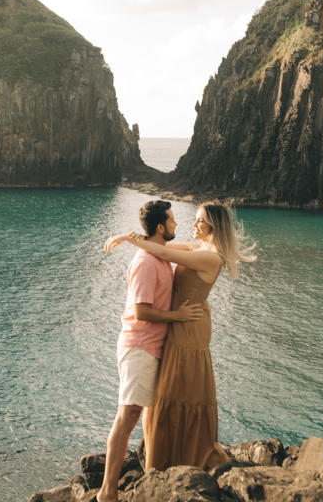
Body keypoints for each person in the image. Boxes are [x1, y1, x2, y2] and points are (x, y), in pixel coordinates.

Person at [104, 200, 255, 472]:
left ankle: (185, 455)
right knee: (169, 393)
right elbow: (160, 248)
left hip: (189, 328)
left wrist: (127, 238)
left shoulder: (210, 257)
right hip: (179, 325)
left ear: (213, 226)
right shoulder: (198, 247)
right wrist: (131, 237)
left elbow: (163, 253)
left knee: (181, 391)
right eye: (195, 219)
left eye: (200, 221)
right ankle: (166, 458)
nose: (193, 224)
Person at [97, 200, 202, 502]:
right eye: (171, 221)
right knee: (126, 418)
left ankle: (144, 471)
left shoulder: (159, 255)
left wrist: (128, 237)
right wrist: (177, 316)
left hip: (151, 349)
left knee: (138, 417)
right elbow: (141, 311)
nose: (176, 225)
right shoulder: (145, 262)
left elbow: (191, 247)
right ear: (160, 227)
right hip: (139, 348)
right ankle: (107, 492)